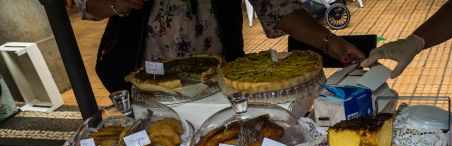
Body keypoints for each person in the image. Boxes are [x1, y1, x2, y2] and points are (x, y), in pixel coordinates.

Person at [76, 0, 364, 91]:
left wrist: (331, 43)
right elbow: (85, 5)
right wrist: (117, 2)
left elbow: (278, 6)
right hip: (144, 82)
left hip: (219, 80)